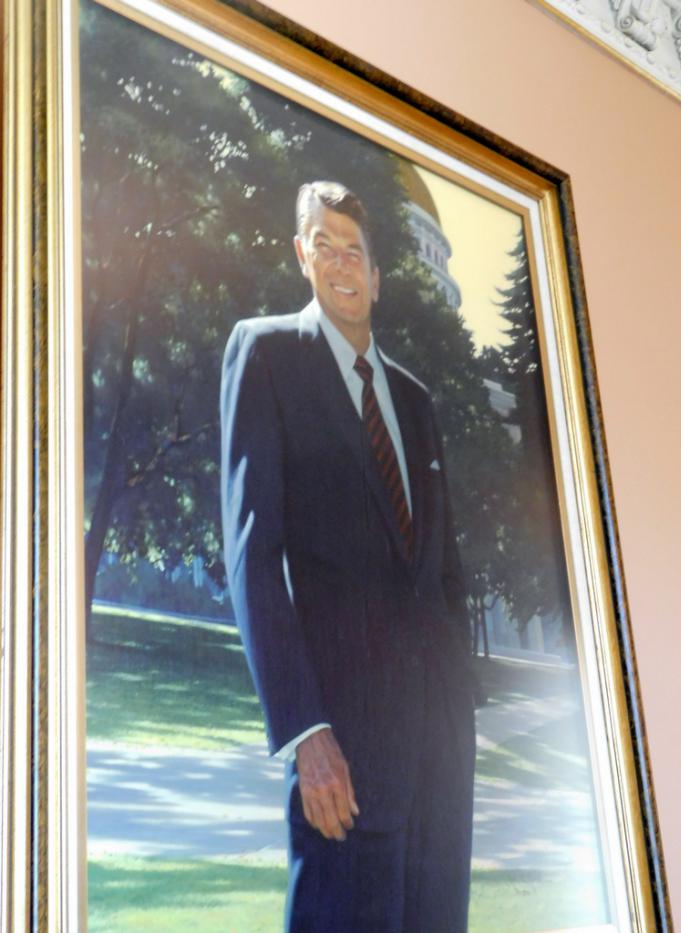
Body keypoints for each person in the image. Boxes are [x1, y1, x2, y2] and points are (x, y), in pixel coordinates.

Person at [220, 180, 476, 933]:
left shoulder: (417, 401)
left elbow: (444, 575)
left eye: (354, 250)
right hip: (344, 757)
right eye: (323, 244)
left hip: (440, 757)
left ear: (377, 275)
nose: (340, 262)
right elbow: (253, 557)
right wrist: (306, 733)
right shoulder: (266, 354)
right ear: (302, 256)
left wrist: (458, 705)